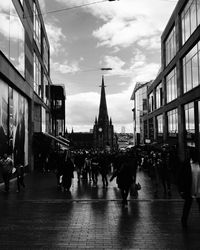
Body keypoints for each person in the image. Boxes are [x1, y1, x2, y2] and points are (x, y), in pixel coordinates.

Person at [178, 149, 200, 228]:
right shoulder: (186, 164)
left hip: (198, 189)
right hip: (189, 189)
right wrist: (181, 190)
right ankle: (184, 221)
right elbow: (180, 177)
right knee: (187, 206)